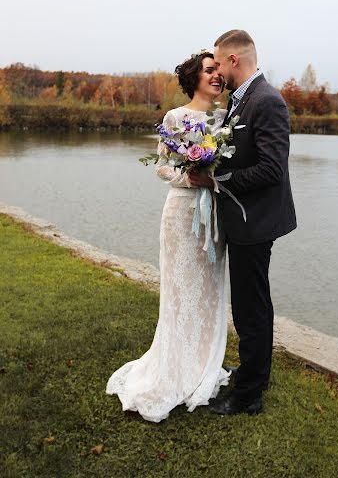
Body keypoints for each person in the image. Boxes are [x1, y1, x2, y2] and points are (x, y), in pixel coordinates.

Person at [106, 51, 230, 422]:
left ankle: (203, 362)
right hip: (182, 214)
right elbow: (161, 167)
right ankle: (174, 368)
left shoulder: (226, 118)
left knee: (208, 293)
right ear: (194, 78)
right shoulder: (175, 118)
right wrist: (190, 176)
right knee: (180, 292)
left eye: (219, 71)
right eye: (210, 71)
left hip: (215, 220)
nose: (217, 77)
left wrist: (216, 176)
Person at [189, 30, 297, 415]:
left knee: (251, 307)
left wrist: (216, 179)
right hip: (244, 219)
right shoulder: (241, 100)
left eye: (218, 62)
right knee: (251, 303)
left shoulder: (266, 101)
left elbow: (271, 169)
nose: (216, 70)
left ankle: (248, 395)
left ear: (234, 60)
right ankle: (254, 373)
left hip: (256, 221)